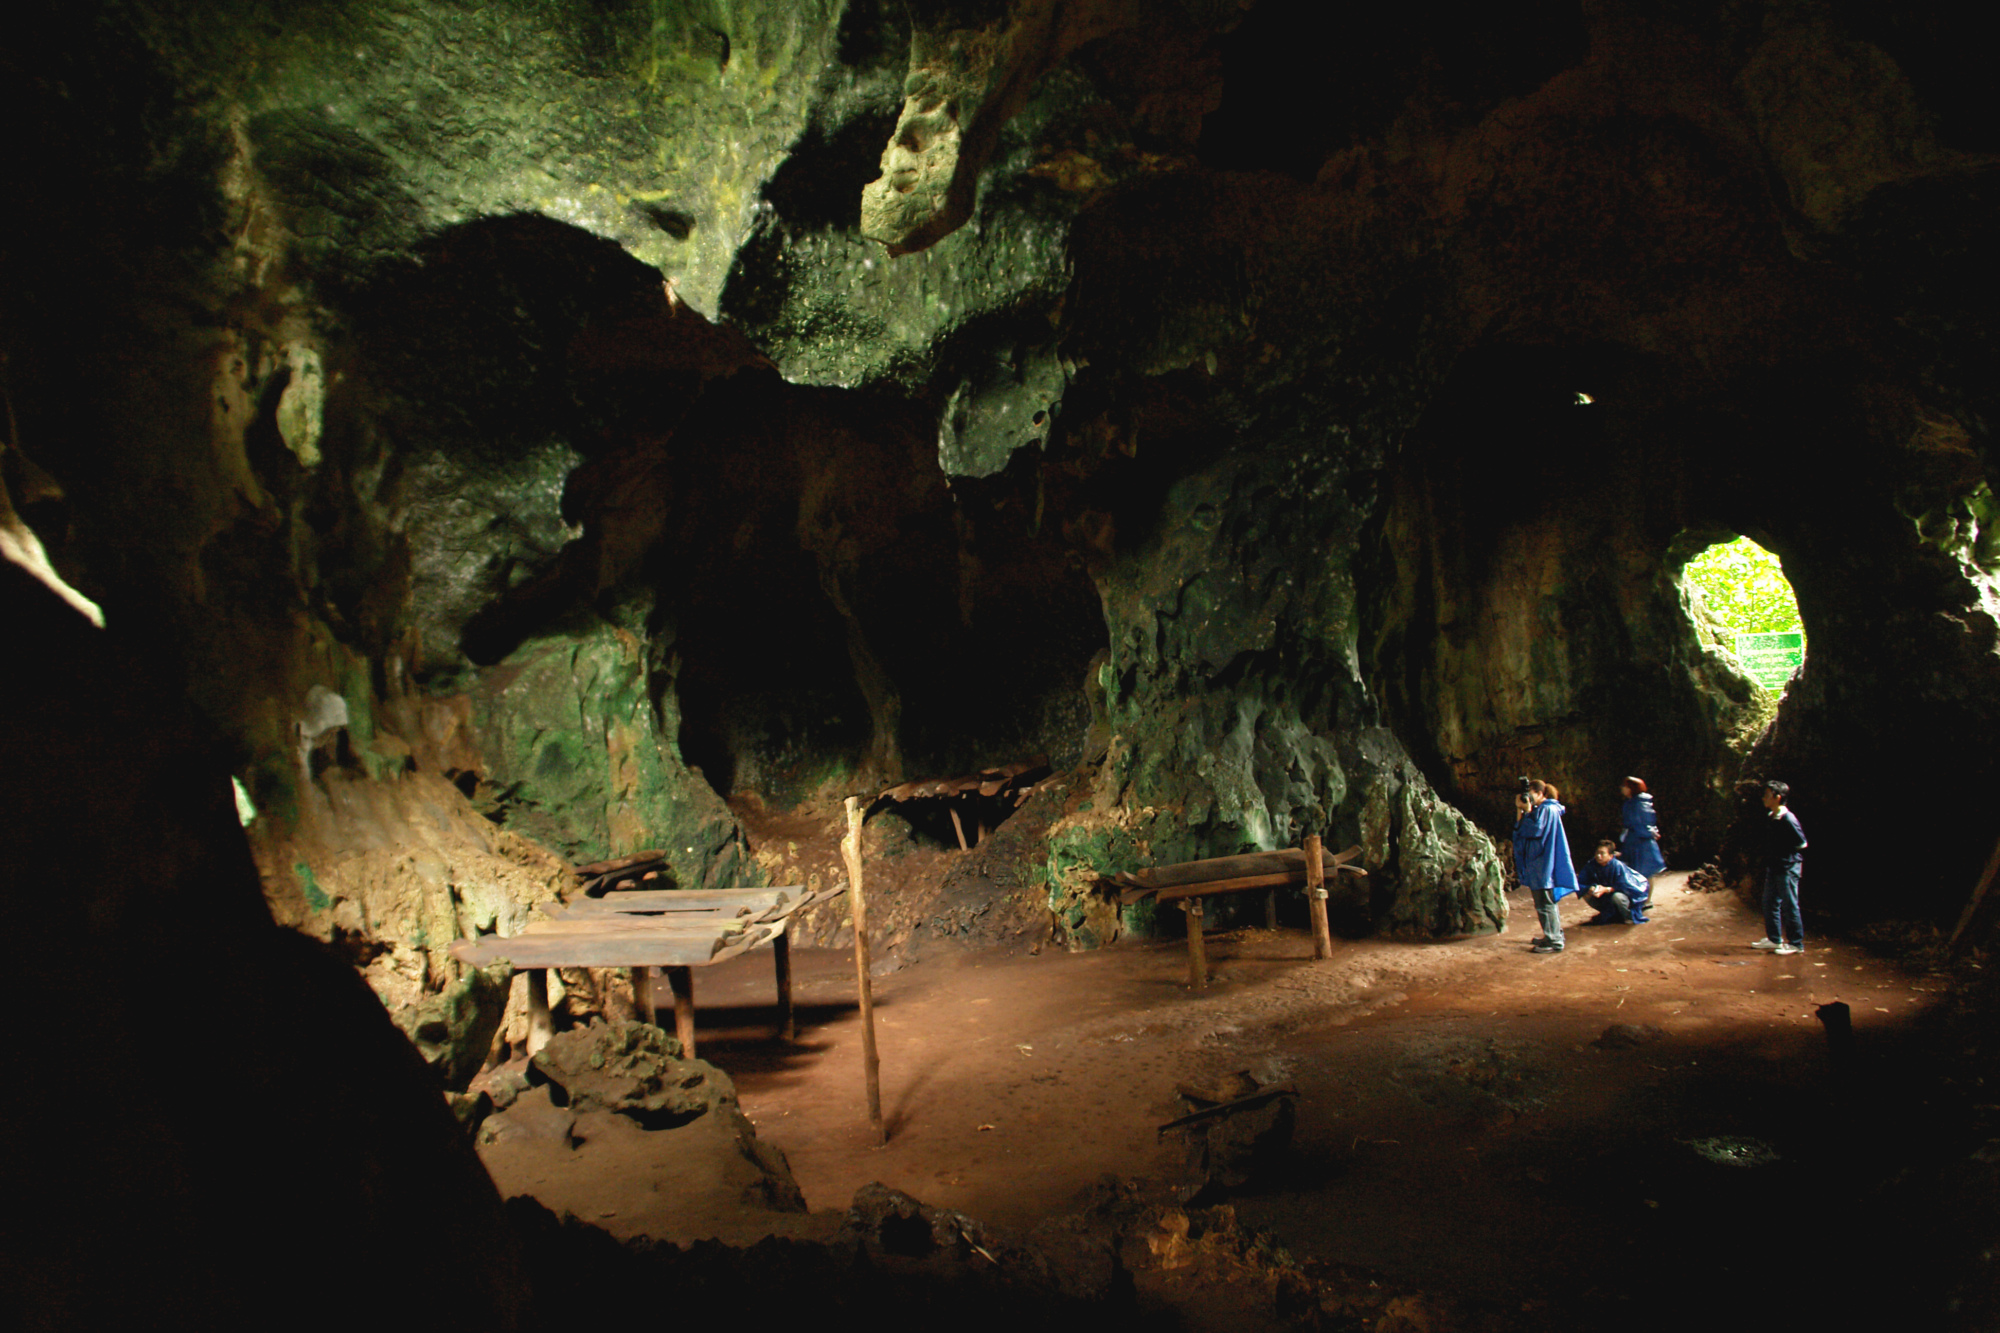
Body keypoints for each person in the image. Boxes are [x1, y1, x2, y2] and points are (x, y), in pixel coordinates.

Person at [1513, 778, 1580, 954]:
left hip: (1543, 864)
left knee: (1545, 903)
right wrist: (1521, 811)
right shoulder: (1542, 809)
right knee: (1544, 903)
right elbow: (1519, 830)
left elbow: (1534, 830)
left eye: (1531, 794)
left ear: (1540, 793)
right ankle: (1551, 935)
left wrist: (1527, 811)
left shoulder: (1548, 809)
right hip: (1539, 863)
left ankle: (1554, 940)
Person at [1751, 779, 1808, 955]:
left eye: (1767, 795)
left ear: (1778, 797)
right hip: (1774, 866)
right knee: (1769, 902)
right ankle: (1774, 939)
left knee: (1790, 904)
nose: (1763, 798)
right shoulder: (1772, 816)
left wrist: (1785, 856)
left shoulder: (1788, 819)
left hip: (1787, 868)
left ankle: (1796, 943)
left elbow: (1802, 843)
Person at [1579, 840, 1652, 923]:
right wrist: (1591, 888)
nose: (1598, 856)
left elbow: (1626, 886)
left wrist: (1607, 889)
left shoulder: (1618, 866)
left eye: (1602, 853)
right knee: (1585, 892)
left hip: (1624, 896)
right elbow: (1581, 882)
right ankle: (1608, 914)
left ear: (1610, 856)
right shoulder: (1591, 865)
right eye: (1597, 853)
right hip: (1604, 896)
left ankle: (1628, 916)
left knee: (1617, 897)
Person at [1617, 776, 1667, 878]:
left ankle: (1645, 894)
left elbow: (1644, 822)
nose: (1622, 788)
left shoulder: (1639, 803)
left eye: (1624, 786)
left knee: (1644, 873)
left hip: (1641, 843)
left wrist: (1648, 833)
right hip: (1632, 841)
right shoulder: (1630, 803)